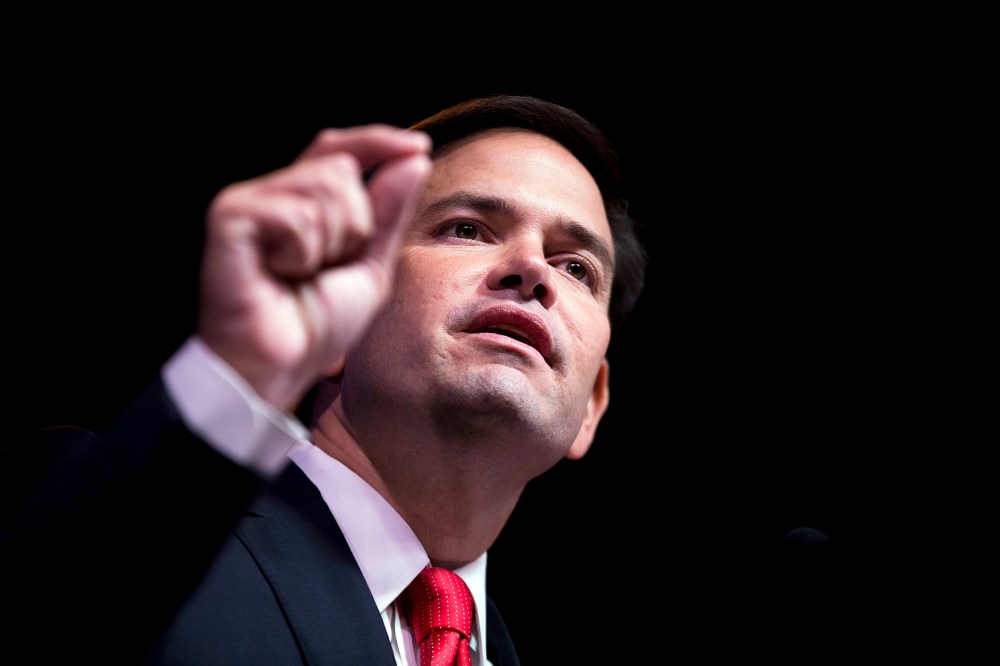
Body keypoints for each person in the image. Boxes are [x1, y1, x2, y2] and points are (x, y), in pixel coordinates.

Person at [2, 94, 647, 664]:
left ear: (592, 405)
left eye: (577, 267)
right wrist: (242, 370)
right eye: (467, 229)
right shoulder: (132, 528)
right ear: (339, 311)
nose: (532, 269)